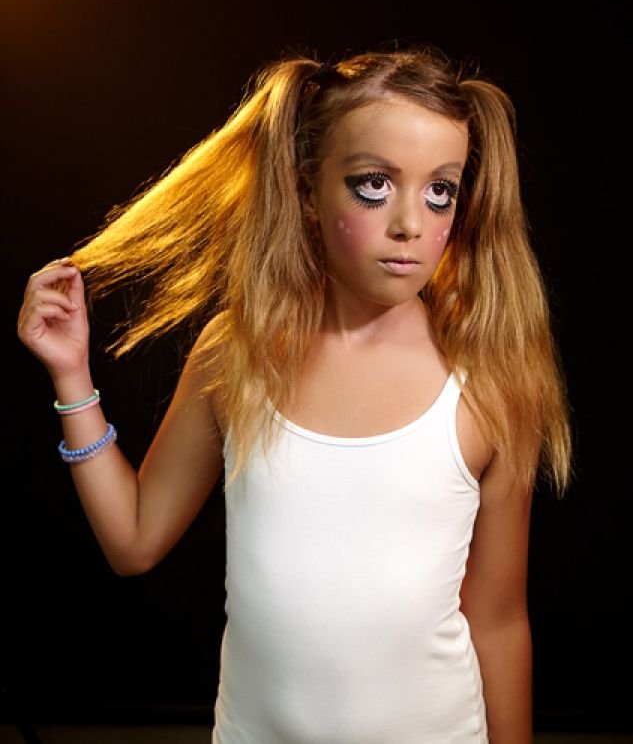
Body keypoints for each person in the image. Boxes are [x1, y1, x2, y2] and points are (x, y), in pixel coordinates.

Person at [17, 45, 571, 744]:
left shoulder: (486, 384)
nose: (410, 222)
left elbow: (497, 619)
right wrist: (72, 377)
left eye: (440, 191)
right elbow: (133, 542)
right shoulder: (238, 355)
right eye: (373, 184)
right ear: (307, 190)